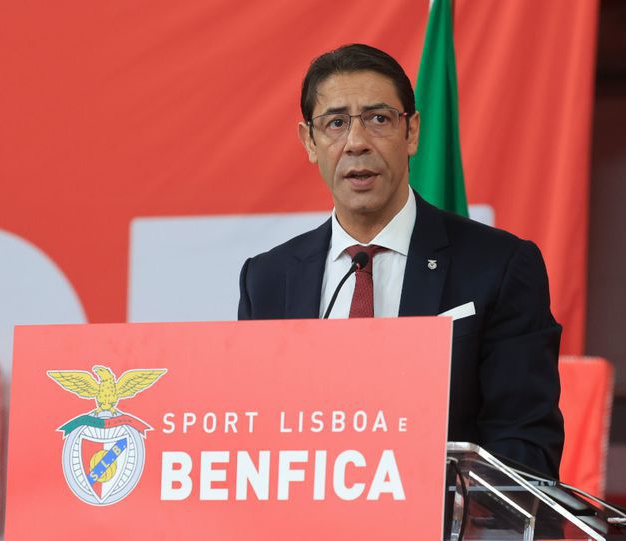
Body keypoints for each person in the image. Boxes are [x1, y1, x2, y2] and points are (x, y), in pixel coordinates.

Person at [238, 44, 563, 477]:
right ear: (309, 142)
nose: (356, 143)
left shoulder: (500, 265)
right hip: (308, 538)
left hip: (445, 539)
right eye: (335, 123)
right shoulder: (267, 278)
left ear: (411, 132)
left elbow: (525, 443)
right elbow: (253, 441)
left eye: (378, 119)